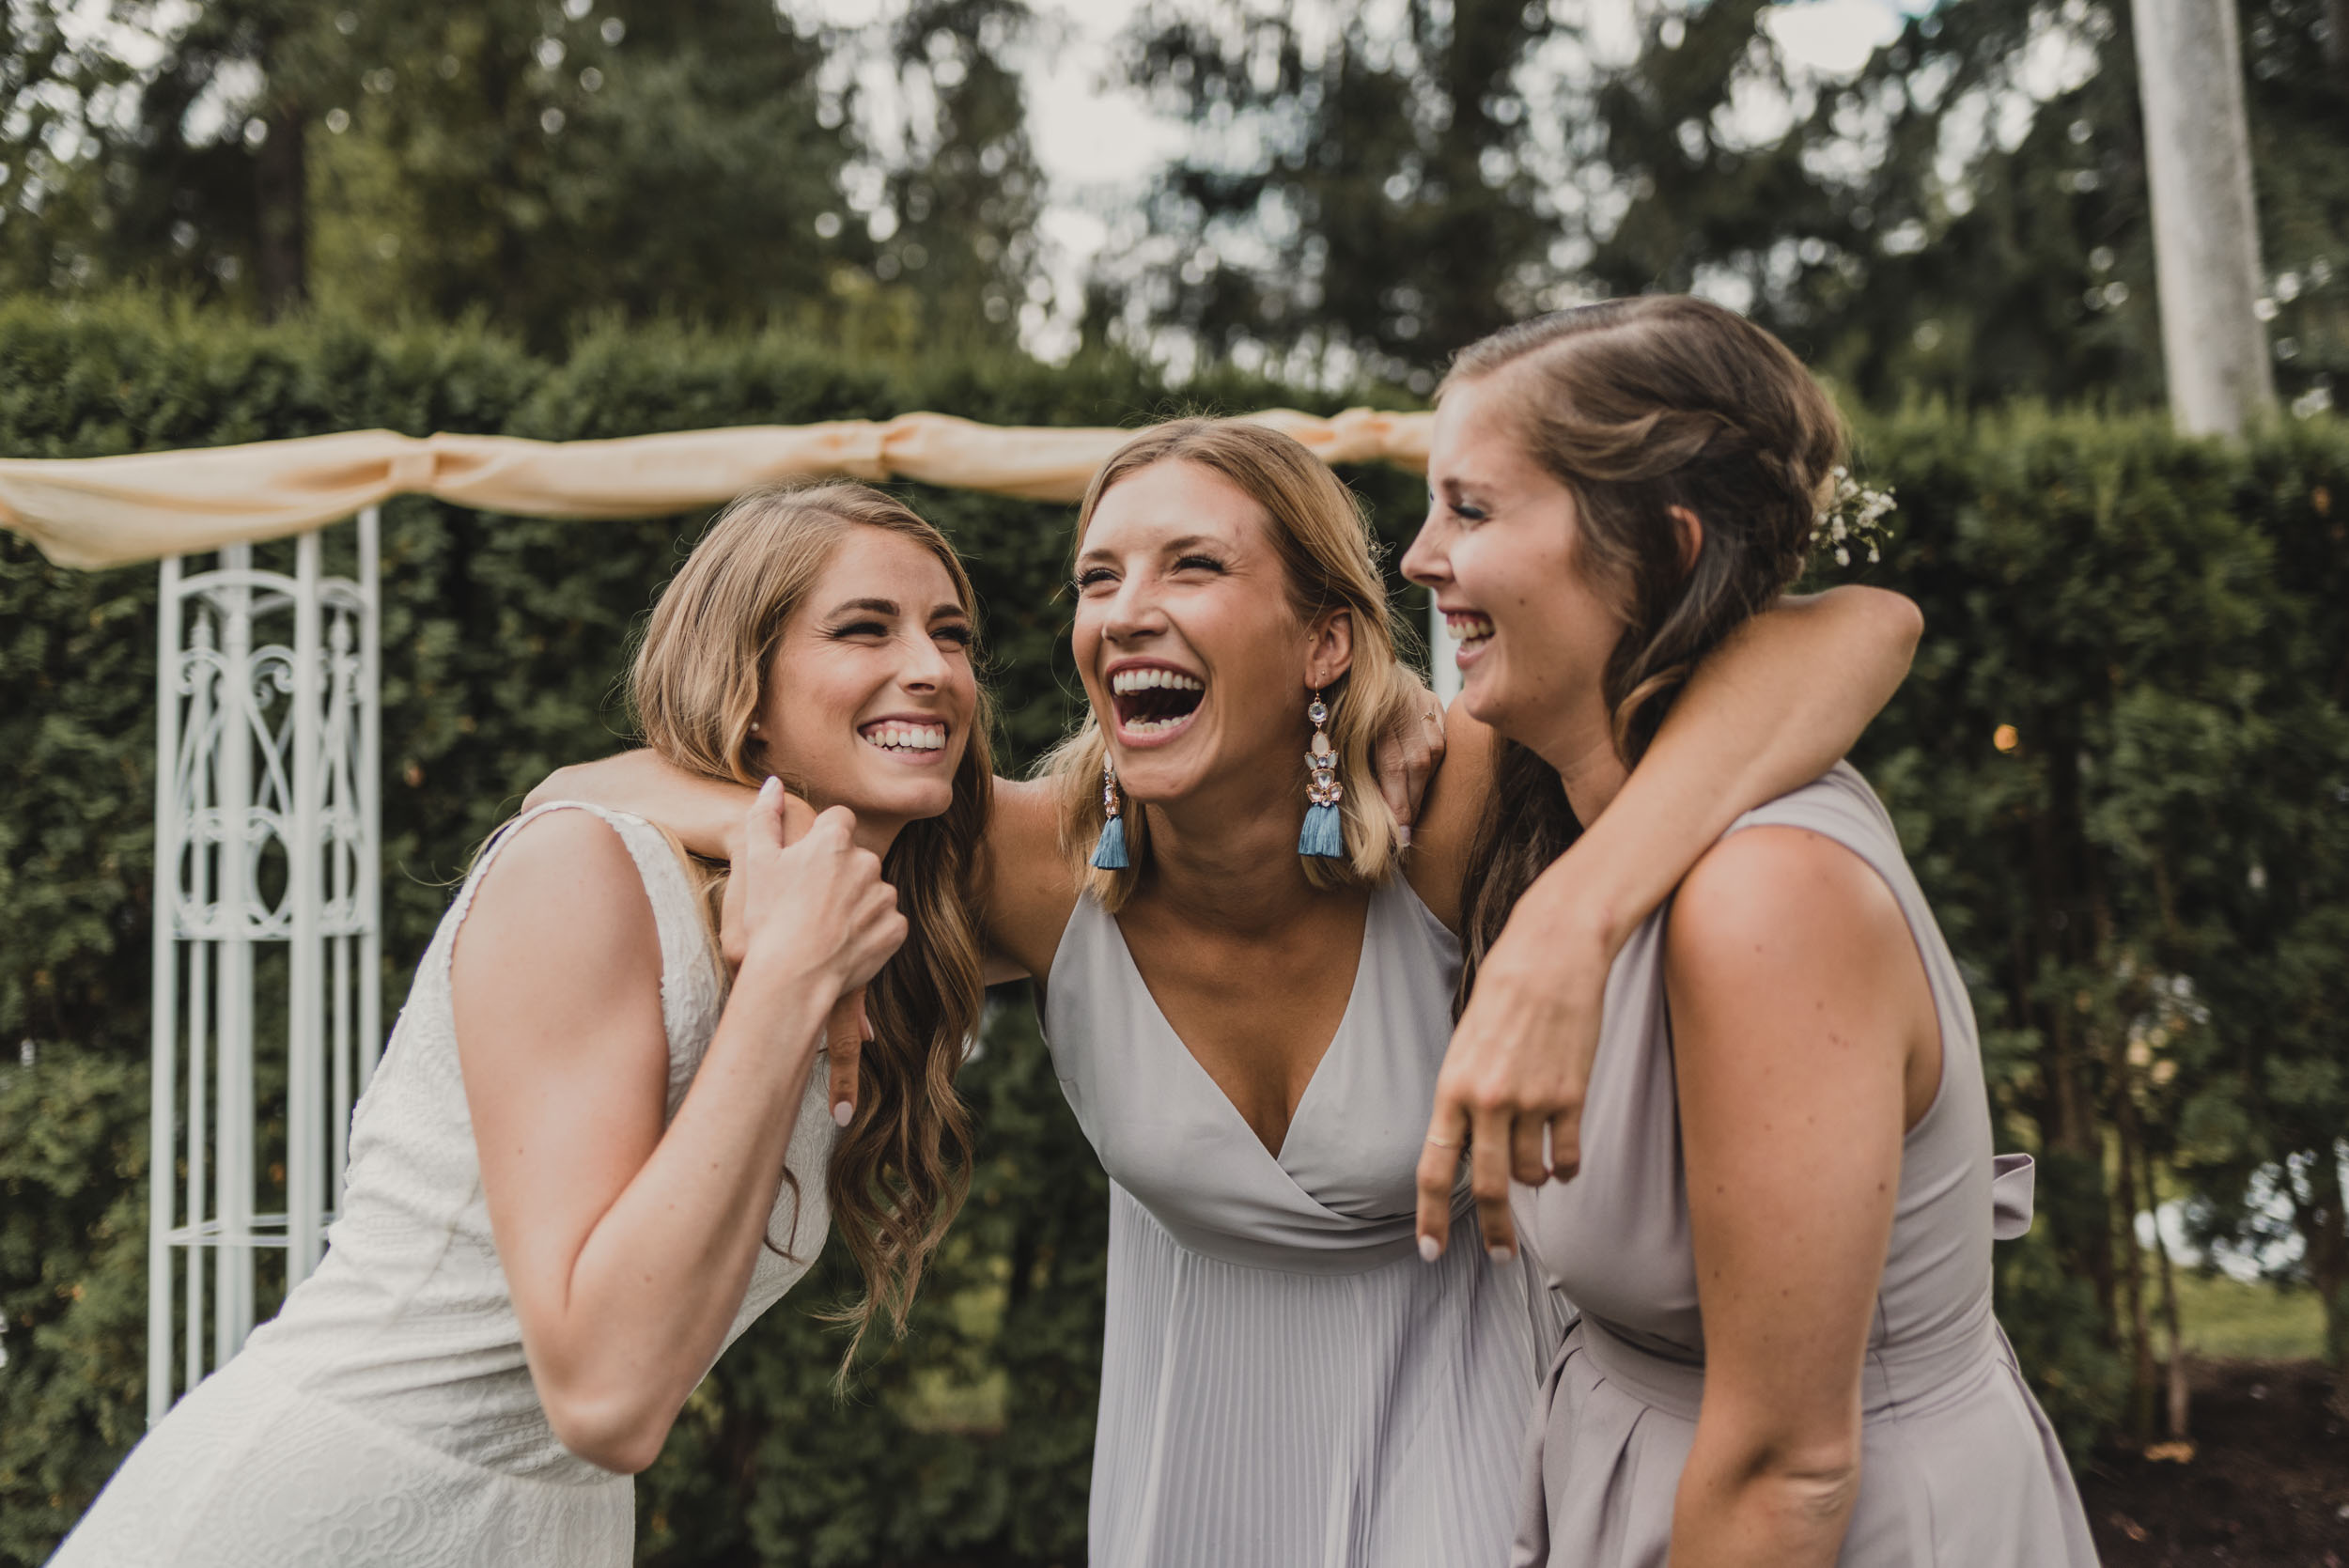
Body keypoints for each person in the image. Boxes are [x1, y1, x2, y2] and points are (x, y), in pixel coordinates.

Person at [542, 416, 1924, 1566]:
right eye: (1096, 581)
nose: (1127, 610)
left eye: (1192, 566)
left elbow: (1855, 629)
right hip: (1189, 1486)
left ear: (1327, 641)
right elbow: (581, 796)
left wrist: (1580, 906)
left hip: (1481, 1472)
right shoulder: (1036, 865)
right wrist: (783, 856)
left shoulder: (1449, 812)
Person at [52, 483, 992, 1568]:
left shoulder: (893, 913)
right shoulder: (582, 872)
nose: (931, 667)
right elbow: (606, 1394)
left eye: (953, 634)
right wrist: (783, 984)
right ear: (747, 685)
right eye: (863, 627)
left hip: (547, 1531)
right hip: (316, 1515)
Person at [1402, 297, 2099, 1566]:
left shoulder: (1764, 896)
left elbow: (1790, 1468)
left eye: (1472, 509)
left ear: (1662, 553)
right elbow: (1866, 621)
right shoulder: (1545, 801)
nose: (1417, 559)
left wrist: (1576, 912)